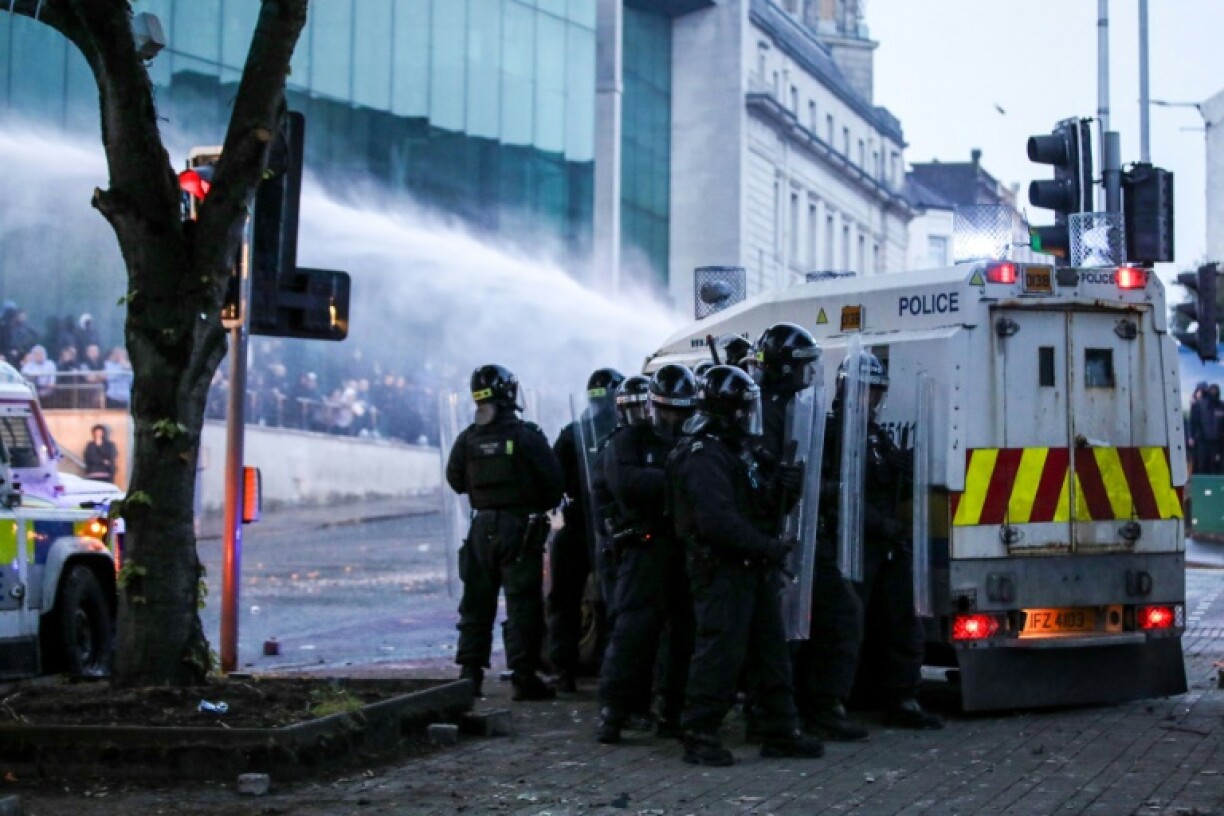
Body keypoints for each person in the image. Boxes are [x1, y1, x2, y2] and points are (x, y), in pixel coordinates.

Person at [666, 365, 823, 765]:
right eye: (745, 406)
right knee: (720, 652)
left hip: (750, 564)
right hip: (721, 567)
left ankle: (780, 730)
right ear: (730, 409)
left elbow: (756, 506)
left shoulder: (735, 449)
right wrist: (767, 547)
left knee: (770, 651)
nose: (752, 414)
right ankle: (699, 733)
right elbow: (717, 520)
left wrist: (784, 490)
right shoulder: (703, 453)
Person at [752, 323, 871, 742]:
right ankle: (774, 713)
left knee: (839, 613)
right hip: (774, 536)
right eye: (802, 367)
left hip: (805, 533)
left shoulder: (797, 409)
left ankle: (822, 706)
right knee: (779, 632)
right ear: (783, 368)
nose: (809, 375)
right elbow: (764, 478)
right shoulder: (761, 412)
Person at [820, 352, 942, 730]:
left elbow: (885, 481)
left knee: (903, 620)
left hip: (886, 543)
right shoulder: (831, 433)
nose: (869, 400)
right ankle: (834, 702)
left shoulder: (876, 433)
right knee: (845, 626)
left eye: (875, 393)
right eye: (863, 392)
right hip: (852, 544)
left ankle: (901, 695)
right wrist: (878, 524)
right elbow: (834, 494)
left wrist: (902, 466)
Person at [446, 364, 563, 701]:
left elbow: (455, 482)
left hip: (481, 528)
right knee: (523, 605)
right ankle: (524, 679)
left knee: (476, 605)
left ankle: (470, 676)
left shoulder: (467, 438)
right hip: (519, 529)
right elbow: (554, 486)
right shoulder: (527, 436)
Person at [595, 365, 698, 744]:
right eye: (666, 410)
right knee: (633, 633)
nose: (672, 418)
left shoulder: (696, 441)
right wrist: (680, 480)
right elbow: (626, 485)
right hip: (645, 547)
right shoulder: (629, 440)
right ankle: (614, 710)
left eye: (680, 411)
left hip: (686, 548)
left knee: (685, 636)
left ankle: (671, 710)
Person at [547, 367, 624, 692]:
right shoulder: (624, 432)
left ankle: (564, 673)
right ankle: (613, 672)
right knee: (613, 602)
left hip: (576, 524)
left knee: (564, 603)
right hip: (614, 527)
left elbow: (553, 481)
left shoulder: (572, 432)